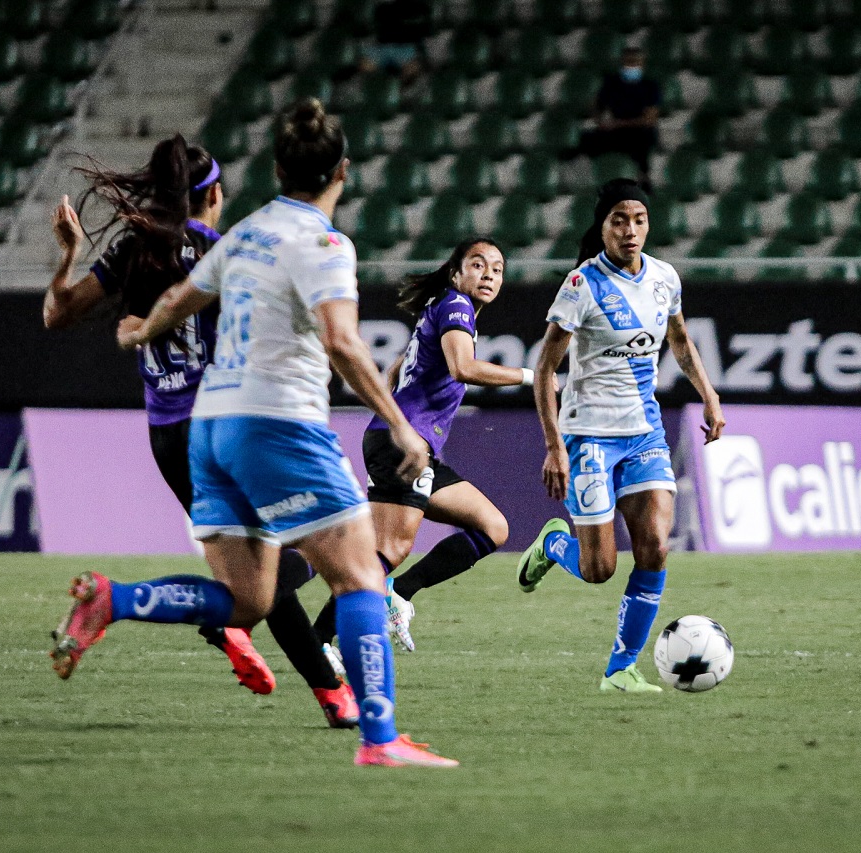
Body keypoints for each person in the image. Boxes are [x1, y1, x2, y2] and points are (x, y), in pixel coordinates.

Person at [50, 98, 457, 767]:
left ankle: (113, 600)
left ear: (276, 170)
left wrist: (141, 331)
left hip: (210, 430)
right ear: (342, 173)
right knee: (361, 577)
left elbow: (180, 297)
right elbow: (343, 343)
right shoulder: (325, 245)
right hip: (278, 422)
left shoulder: (246, 234)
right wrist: (399, 426)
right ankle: (380, 740)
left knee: (248, 601)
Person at [42, 134, 357, 728]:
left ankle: (319, 687)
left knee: (260, 574)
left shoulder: (132, 250)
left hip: (169, 438)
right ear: (212, 196)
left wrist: (69, 254)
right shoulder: (224, 251)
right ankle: (310, 678)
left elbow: (57, 314)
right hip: (227, 426)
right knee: (308, 561)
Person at [515, 178, 725, 693]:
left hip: (644, 433)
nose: (630, 230)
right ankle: (554, 545)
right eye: (619, 220)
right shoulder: (581, 286)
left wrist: (709, 394)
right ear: (603, 226)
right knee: (599, 569)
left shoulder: (665, 278)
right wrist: (554, 446)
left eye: (639, 220)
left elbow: (680, 341)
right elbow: (545, 370)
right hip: (589, 436)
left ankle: (620, 670)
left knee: (654, 547)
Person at [310, 238, 546, 653]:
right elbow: (463, 367)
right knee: (388, 551)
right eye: (478, 265)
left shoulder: (441, 306)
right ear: (456, 273)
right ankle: (318, 641)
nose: (489, 274)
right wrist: (533, 376)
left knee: (492, 526)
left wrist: (395, 402)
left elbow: (399, 367)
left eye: (497, 268)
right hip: (406, 445)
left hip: (409, 443)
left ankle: (397, 593)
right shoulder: (457, 306)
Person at [578, 46, 662, 186]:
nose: (631, 65)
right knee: (587, 139)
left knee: (642, 140)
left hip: (639, 130)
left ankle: (643, 178)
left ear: (642, 64)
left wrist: (618, 123)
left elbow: (649, 120)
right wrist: (600, 120)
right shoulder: (612, 83)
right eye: (628, 61)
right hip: (616, 130)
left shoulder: (650, 86)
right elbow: (597, 107)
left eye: (635, 62)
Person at [358, 0, 432, 86]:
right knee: (365, 67)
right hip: (381, 49)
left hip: (406, 49)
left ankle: (399, 90)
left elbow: (426, 32)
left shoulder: (420, 9)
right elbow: (373, 30)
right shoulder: (382, 9)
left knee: (413, 69)